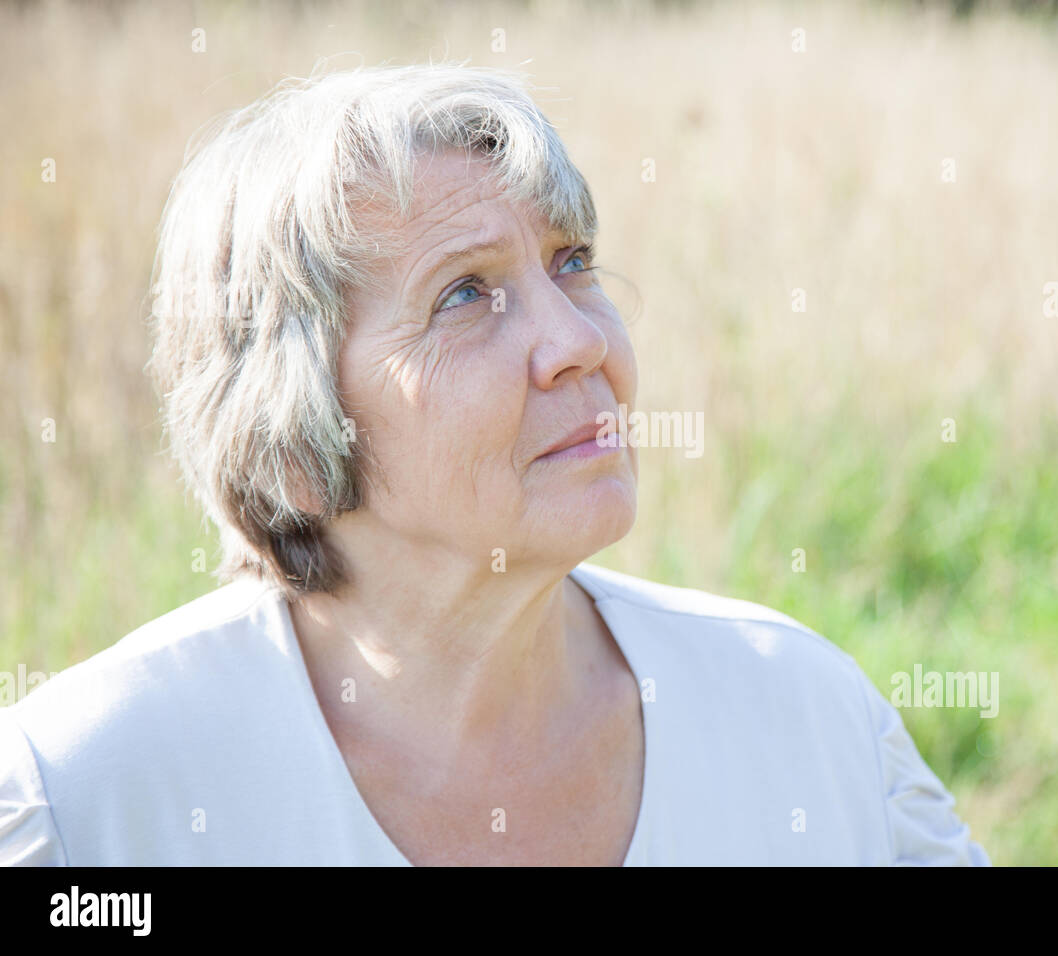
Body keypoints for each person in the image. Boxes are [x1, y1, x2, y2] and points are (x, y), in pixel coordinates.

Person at [0, 63, 989, 866]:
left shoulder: (804, 715)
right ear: (292, 430)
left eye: (570, 261)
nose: (577, 341)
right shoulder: (87, 793)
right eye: (465, 295)